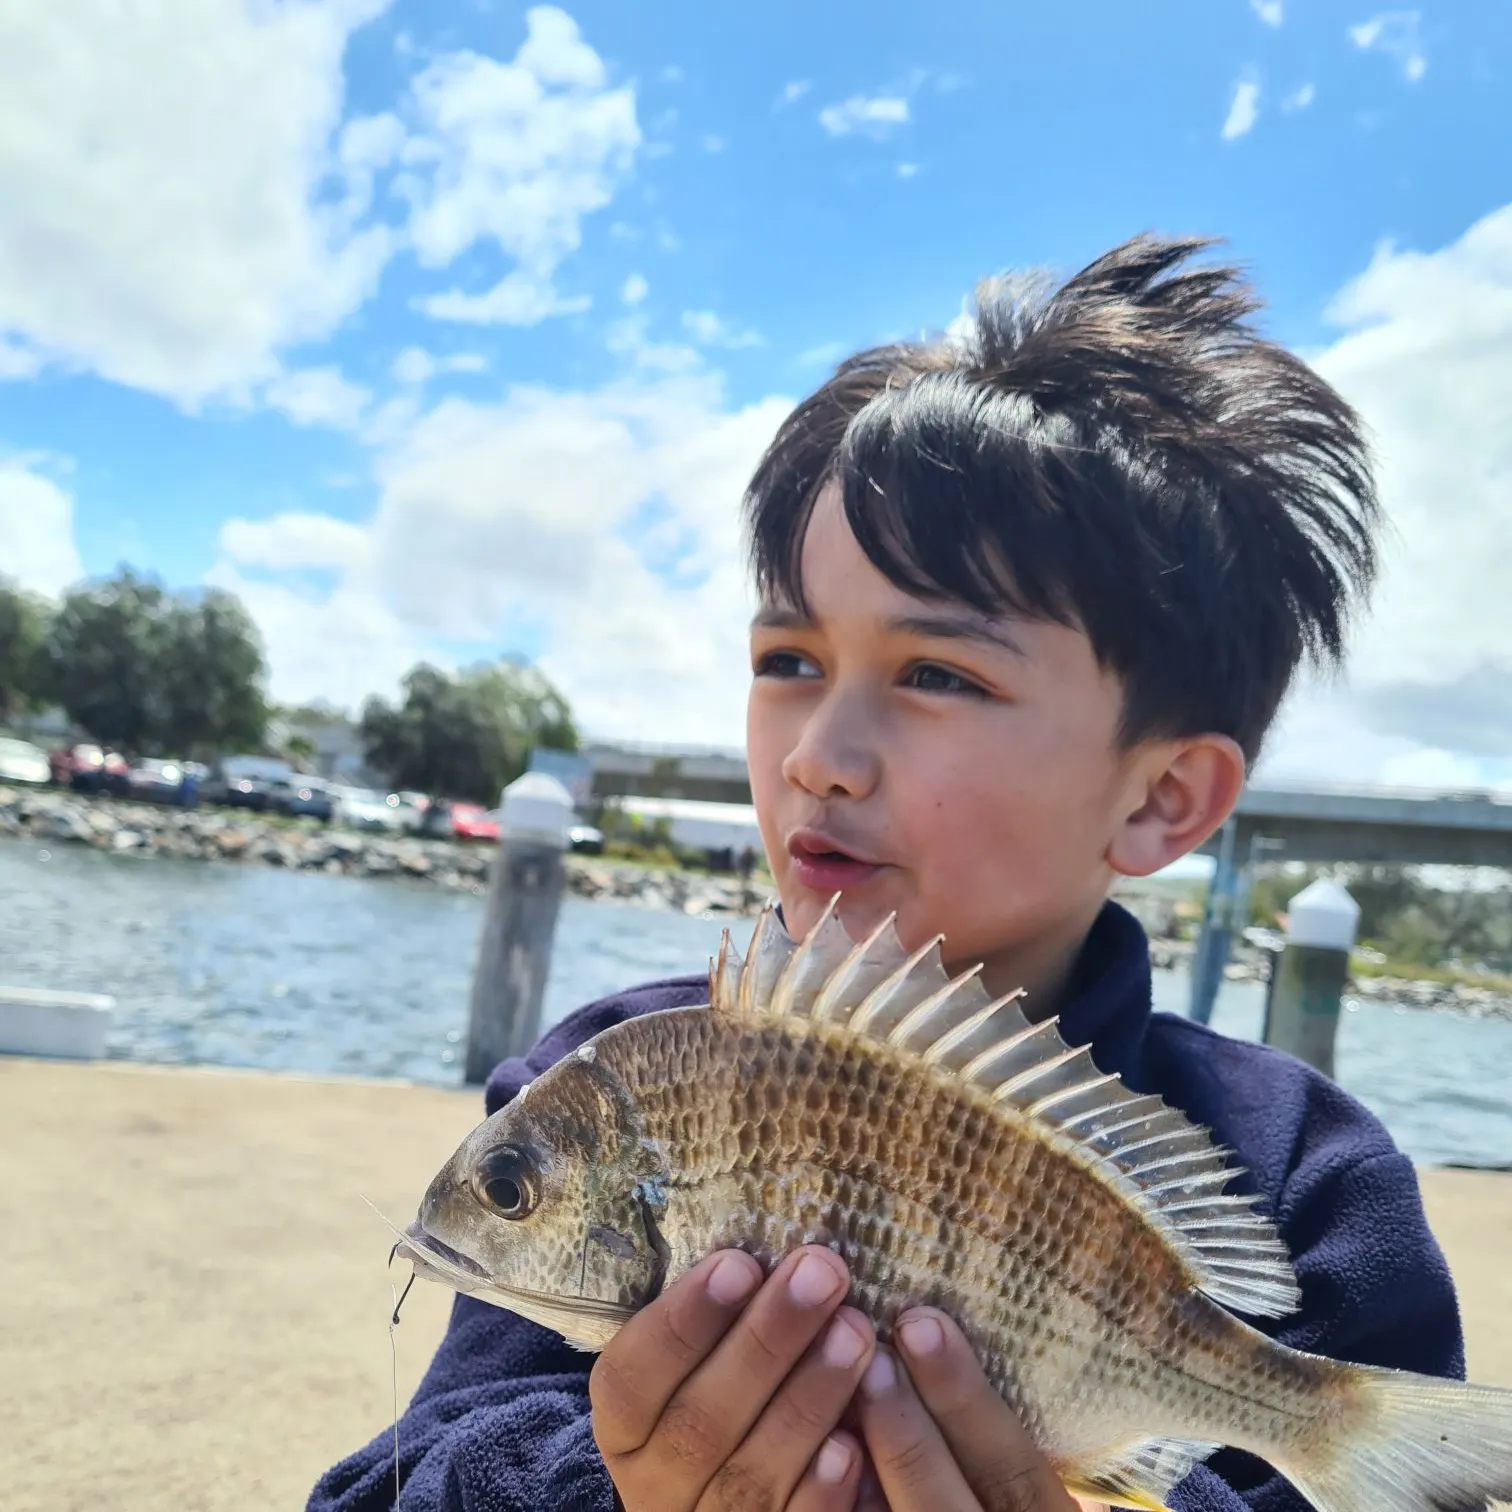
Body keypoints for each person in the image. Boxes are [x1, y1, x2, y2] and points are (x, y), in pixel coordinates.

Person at [309, 237, 1463, 1512]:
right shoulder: (618, 1074)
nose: (819, 757)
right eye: (788, 660)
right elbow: (388, 1488)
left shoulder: (1305, 1179)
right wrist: (626, 1485)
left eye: (937, 675)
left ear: (1160, 797)